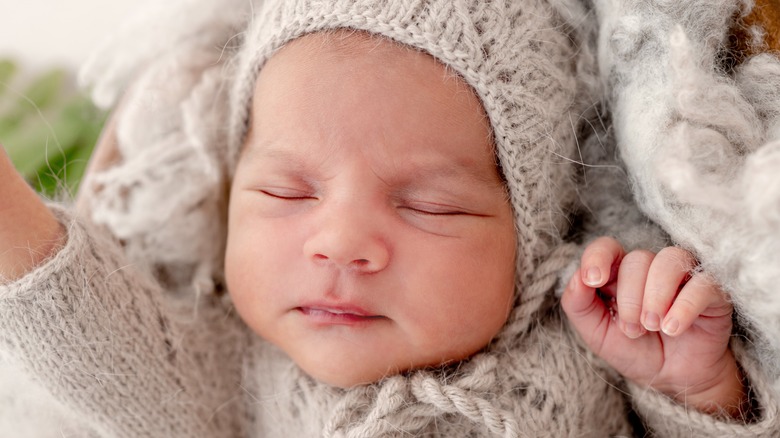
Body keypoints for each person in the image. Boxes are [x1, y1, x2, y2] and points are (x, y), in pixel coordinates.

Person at [1, 0, 778, 436]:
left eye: (427, 204)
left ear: (526, 240)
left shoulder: (593, 348)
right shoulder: (236, 374)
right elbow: (87, 334)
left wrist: (695, 388)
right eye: (285, 192)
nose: (340, 242)